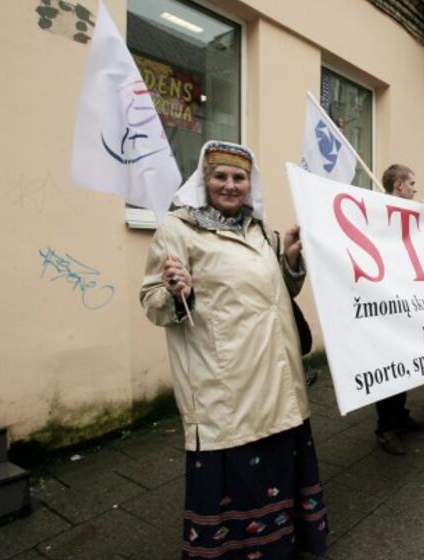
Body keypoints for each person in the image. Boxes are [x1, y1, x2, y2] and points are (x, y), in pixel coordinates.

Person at [139, 141, 327, 559]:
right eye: (220, 176)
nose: (230, 185)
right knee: (236, 480)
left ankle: (285, 546)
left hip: (277, 376)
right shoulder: (178, 229)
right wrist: (174, 292)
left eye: (238, 177)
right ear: (204, 181)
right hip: (226, 385)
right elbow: (152, 301)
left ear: (249, 183)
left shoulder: (261, 230)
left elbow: (280, 291)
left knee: (280, 470)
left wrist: (292, 262)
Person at [374, 164, 424, 454]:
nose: (415, 188)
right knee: (388, 365)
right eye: (412, 183)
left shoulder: (407, 214)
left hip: (406, 298)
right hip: (384, 301)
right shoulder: (379, 212)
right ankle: (386, 428)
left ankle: (400, 416)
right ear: (398, 185)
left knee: (404, 362)